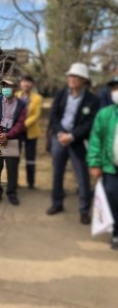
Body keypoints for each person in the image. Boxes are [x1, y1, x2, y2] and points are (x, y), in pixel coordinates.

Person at [46, 62, 99, 224]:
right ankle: (57, 203)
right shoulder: (62, 94)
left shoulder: (92, 100)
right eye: (70, 75)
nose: (72, 79)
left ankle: (84, 210)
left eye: (76, 76)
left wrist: (72, 136)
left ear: (84, 80)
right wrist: (61, 133)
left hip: (77, 141)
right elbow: (54, 115)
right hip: (59, 139)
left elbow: (90, 123)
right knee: (57, 173)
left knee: (82, 176)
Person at [87, 75, 118, 249]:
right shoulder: (105, 114)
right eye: (115, 88)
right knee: (113, 198)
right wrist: (94, 163)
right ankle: (116, 233)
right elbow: (96, 140)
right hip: (111, 167)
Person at [0, 76, 26, 205]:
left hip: (12, 138)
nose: (6, 89)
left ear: (15, 89)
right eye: (4, 86)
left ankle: (11, 193)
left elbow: (21, 123)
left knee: (12, 168)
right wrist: (0, 133)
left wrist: (8, 135)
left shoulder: (21, 104)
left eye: (9, 87)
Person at [16, 75, 43, 189]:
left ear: (31, 84)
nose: (26, 84)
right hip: (16, 132)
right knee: (14, 158)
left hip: (30, 132)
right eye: (24, 81)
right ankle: (14, 181)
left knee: (30, 158)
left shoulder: (37, 98)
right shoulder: (16, 95)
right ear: (21, 83)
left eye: (28, 82)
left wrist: (23, 124)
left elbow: (36, 115)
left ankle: (30, 183)